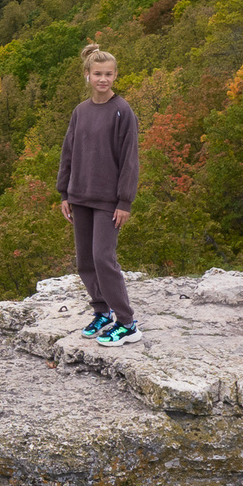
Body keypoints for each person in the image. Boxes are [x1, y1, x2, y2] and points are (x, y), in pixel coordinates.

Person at [57, 41, 141, 345]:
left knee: (104, 258)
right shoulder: (80, 112)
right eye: (97, 74)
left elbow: (129, 159)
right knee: (85, 261)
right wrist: (64, 192)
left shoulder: (122, 111)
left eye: (108, 73)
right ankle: (101, 311)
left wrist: (124, 201)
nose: (102, 79)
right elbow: (68, 153)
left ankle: (128, 323)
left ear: (116, 75)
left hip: (109, 201)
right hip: (80, 197)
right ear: (87, 76)